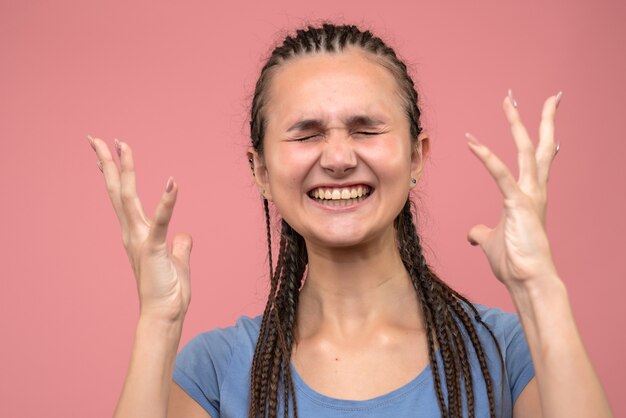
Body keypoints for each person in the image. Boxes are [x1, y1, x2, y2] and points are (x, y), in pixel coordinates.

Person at [87, 23, 613, 418]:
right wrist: (158, 323)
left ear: (416, 158)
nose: (338, 157)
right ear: (260, 170)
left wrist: (539, 289)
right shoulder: (216, 369)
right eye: (306, 132)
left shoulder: (508, 350)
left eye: (365, 129)